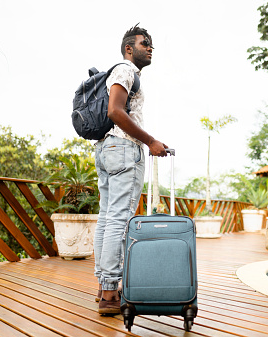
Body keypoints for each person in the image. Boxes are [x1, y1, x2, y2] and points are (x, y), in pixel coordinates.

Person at [94, 24, 168, 315]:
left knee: (106, 218)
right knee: (118, 220)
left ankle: (103, 286)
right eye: (144, 43)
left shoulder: (121, 73)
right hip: (123, 149)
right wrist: (149, 141)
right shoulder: (126, 71)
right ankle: (111, 293)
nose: (150, 48)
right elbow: (115, 111)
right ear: (129, 48)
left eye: (151, 45)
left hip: (106, 149)